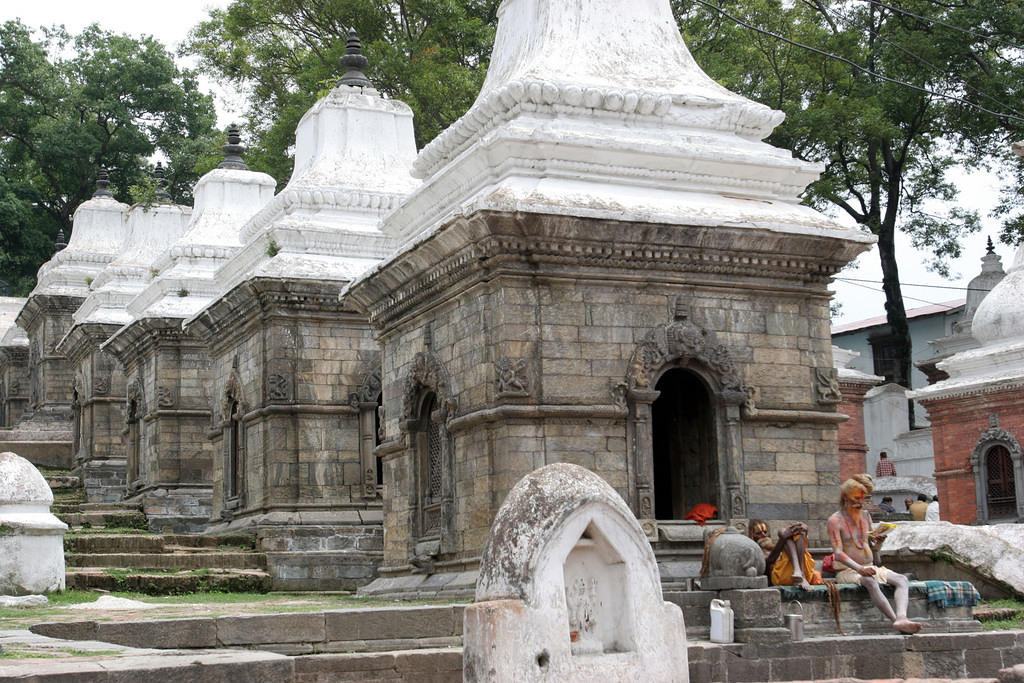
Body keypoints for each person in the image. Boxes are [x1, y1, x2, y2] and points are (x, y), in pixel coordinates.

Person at [828, 473, 921, 634]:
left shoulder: (865, 516)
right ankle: (896, 621)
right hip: (848, 571)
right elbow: (838, 553)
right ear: (845, 497)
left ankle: (902, 618)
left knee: (902, 579)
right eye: (856, 499)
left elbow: (872, 547)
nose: (860, 503)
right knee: (869, 581)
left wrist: (878, 543)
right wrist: (859, 569)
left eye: (862, 499)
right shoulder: (834, 520)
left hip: (869, 566)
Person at [750, 519, 824, 591]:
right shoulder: (755, 550)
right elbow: (769, 562)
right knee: (782, 531)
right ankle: (799, 572)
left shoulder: (779, 545)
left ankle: (799, 572)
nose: (763, 535)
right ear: (752, 535)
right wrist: (782, 539)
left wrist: (804, 530)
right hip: (781, 578)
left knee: (796, 532)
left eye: (765, 532)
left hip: (802, 574)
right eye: (758, 533)